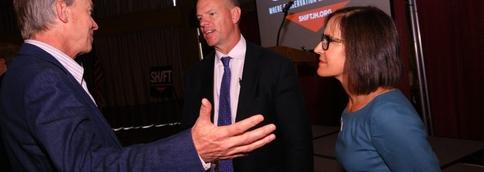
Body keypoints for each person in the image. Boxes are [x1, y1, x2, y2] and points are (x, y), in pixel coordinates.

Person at [0, 0, 278, 171]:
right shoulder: (43, 79)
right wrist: (194, 149)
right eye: (89, 11)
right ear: (62, 10)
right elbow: (88, 166)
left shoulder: (25, 72)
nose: (95, 24)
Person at [182, 0, 313, 171]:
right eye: (200, 18)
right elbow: (188, 136)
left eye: (211, 14)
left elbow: (298, 142)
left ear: (235, 15)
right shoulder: (195, 75)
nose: (203, 23)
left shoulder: (276, 67)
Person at [313, 6, 441, 171]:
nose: (317, 49)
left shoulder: (388, 114)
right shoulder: (354, 103)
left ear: (360, 48)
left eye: (327, 40)